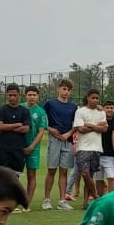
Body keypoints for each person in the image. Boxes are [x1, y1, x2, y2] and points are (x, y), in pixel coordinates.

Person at [40, 79, 79, 207]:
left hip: (67, 141)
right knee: (51, 170)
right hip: (54, 140)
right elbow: (42, 119)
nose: (66, 92)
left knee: (64, 171)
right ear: (58, 89)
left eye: (68, 90)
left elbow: (77, 125)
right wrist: (50, 129)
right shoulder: (50, 103)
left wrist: (69, 134)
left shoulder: (73, 106)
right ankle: (47, 200)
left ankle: (62, 200)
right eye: (64, 89)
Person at [72, 89, 109, 203]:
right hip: (83, 147)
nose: (95, 100)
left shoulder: (101, 112)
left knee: (91, 175)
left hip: (96, 148)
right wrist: (97, 126)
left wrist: (90, 125)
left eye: (97, 98)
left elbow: (104, 129)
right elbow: (81, 129)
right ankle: (96, 195)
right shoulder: (80, 111)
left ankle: (85, 202)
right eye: (93, 97)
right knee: (85, 173)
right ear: (87, 97)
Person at [0, 84, 29, 176]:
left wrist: (7, 128)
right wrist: (17, 124)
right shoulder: (2, 110)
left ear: (19, 95)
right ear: (6, 95)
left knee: (15, 176)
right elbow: (0, 126)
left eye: (14, 95)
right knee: (3, 177)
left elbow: (26, 129)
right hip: (3, 149)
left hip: (18, 149)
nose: (12, 97)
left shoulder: (24, 111)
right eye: (10, 95)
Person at [22, 86, 47, 203]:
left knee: (31, 174)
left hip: (33, 148)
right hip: (19, 147)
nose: (32, 97)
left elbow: (41, 131)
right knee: (15, 174)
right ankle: (14, 200)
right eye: (29, 95)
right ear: (25, 95)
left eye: (34, 95)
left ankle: (27, 202)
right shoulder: (20, 108)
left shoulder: (41, 112)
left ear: (37, 96)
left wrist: (32, 146)